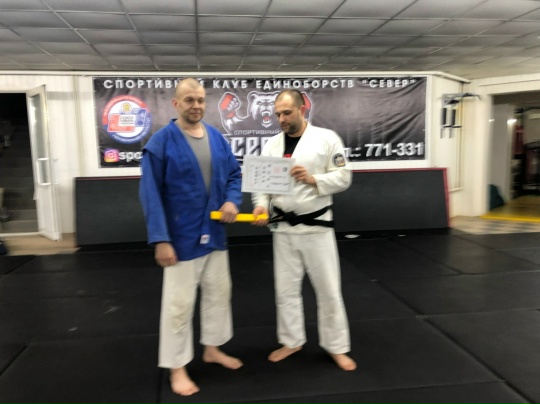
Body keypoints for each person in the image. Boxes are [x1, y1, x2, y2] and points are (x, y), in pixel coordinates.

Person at [139, 78, 243, 396]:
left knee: (218, 294)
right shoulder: (161, 142)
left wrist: (232, 201)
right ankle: (177, 367)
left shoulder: (216, 137)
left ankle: (212, 348)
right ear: (176, 104)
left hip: (215, 233)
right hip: (181, 237)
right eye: (189, 100)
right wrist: (161, 239)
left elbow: (234, 174)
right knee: (179, 305)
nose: (196, 105)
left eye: (200, 100)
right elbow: (150, 193)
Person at [252, 89, 357, 371]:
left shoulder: (326, 138)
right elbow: (261, 186)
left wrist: (314, 179)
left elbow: (344, 177)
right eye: (278, 114)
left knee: (328, 291)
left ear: (302, 109)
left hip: (316, 229)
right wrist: (260, 206)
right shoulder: (272, 145)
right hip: (283, 229)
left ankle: (336, 347)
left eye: (287, 113)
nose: (281, 119)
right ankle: (292, 341)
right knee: (285, 291)